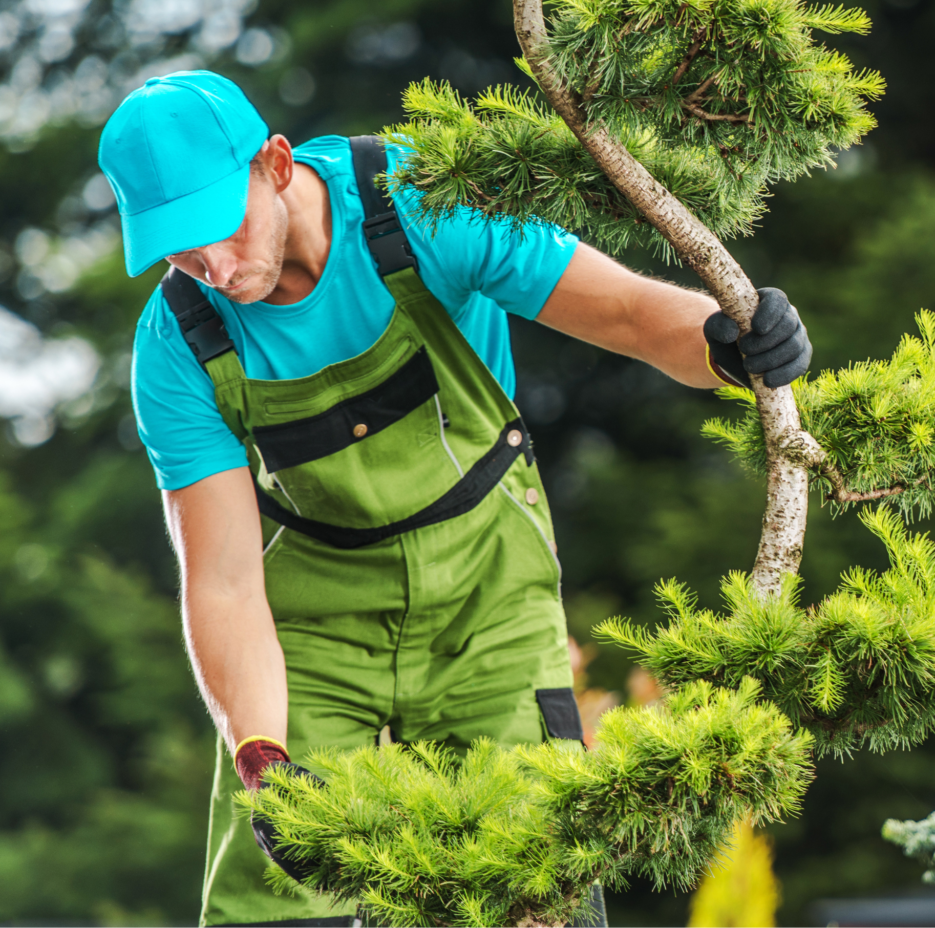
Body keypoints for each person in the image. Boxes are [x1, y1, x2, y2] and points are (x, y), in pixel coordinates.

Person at [98, 70, 811, 928]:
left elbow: (625, 314)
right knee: (278, 901)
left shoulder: (420, 202)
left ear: (276, 165)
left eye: (218, 228)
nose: (209, 266)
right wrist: (262, 756)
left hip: (488, 605)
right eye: (177, 250)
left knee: (534, 881)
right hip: (316, 639)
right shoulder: (178, 343)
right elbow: (221, 581)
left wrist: (726, 343)